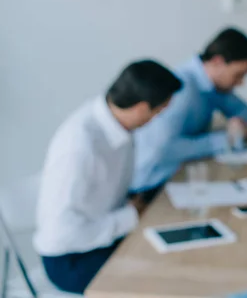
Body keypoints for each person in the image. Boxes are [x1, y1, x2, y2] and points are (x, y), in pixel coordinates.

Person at [34, 60, 182, 294]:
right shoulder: (80, 147)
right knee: (166, 279)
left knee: (176, 249)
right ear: (143, 108)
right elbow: (62, 233)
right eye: (160, 111)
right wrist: (130, 216)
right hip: (73, 258)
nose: (158, 119)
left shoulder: (116, 122)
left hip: (107, 231)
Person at [130, 27, 247, 195]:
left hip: (184, 173)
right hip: (153, 187)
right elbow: (164, 149)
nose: (241, 83)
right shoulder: (182, 89)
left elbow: (244, 111)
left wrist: (239, 122)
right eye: (238, 75)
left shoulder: (215, 86)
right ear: (217, 62)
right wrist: (225, 140)